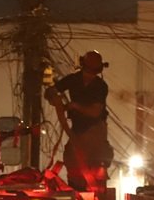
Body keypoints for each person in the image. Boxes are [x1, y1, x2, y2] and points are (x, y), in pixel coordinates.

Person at [46, 50, 113, 191]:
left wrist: (75, 106)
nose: (89, 75)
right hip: (77, 129)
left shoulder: (100, 86)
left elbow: (95, 112)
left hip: (95, 129)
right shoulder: (73, 80)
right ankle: (76, 189)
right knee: (73, 159)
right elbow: (51, 91)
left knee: (94, 161)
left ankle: (95, 189)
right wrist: (55, 99)